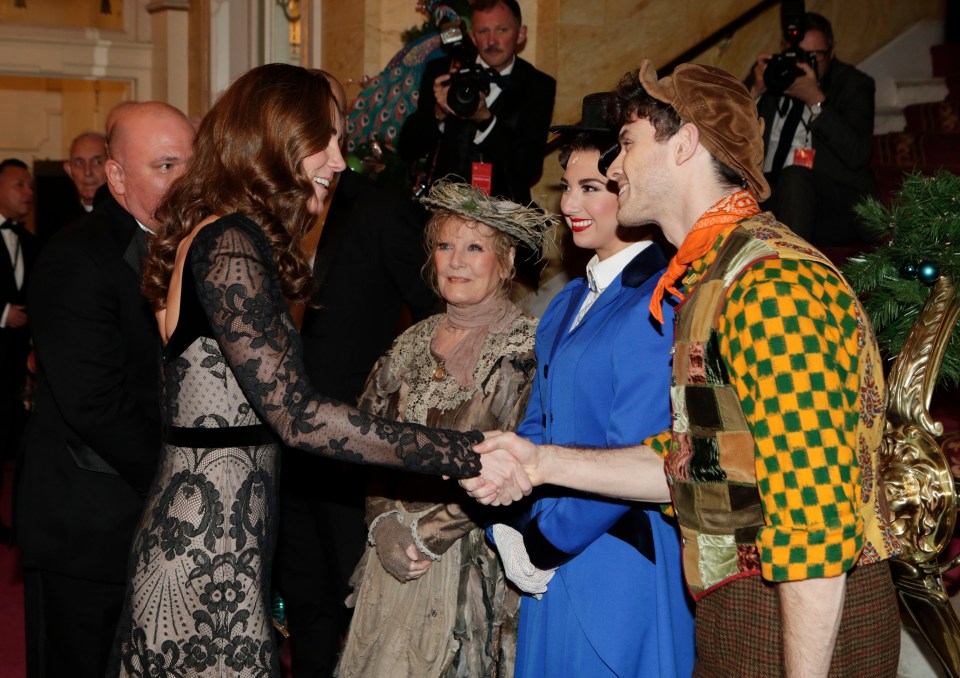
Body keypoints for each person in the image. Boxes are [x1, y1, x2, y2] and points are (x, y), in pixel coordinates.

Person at [467, 60, 902, 677]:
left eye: (626, 144)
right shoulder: (714, 278)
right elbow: (699, 464)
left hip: (798, 614)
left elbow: (815, 528)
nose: (614, 169)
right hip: (741, 604)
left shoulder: (773, 284)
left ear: (685, 144)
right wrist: (540, 463)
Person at [110, 64, 520, 677]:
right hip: (205, 558)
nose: (336, 161)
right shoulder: (230, 242)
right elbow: (300, 417)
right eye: (322, 142)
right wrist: (468, 452)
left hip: (216, 546)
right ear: (275, 143)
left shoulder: (220, 232)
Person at [487, 94, 695, 677]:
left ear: (627, 187)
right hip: (554, 549)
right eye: (566, 187)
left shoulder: (661, 296)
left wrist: (542, 544)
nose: (571, 205)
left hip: (616, 560)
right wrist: (509, 498)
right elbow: (540, 422)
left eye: (591, 187)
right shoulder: (564, 304)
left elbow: (636, 444)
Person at [337, 180, 551, 677]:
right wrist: (383, 522)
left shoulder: (526, 351)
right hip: (393, 556)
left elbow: (520, 465)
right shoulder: (408, 344)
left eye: (475, 247)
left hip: (473, 567)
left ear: (506, 261)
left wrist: (427, 534)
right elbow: (365, 445)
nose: (456, 261)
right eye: (445, 245)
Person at [14, 102, 195, 678]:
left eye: (191, 164)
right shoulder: (75, 258)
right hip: (90, 526)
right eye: (165, 166)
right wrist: (185, 484)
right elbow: (95, 403)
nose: (185, 182)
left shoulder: (198, 246)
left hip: (159, 521)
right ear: (116, 177)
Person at [275, 72, 440, 677]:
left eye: (339, 129)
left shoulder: (378, 208)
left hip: (354, 439)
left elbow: (431, 316)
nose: (336, 151)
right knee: (303, 596)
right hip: (279, 446)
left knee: (354, 596)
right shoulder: (264, 215)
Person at [399, 0, 556, 204]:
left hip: (504, 215)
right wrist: (438, 112)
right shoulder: (443, 72)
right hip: (442, 209)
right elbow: (407, 148)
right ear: (473, 36)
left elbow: (528, 168)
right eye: (483, 31)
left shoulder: (538, 85)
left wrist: (486, 120)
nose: (492, 41)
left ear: (521, 34)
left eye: (502, 30)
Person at [748, 12, 877, 245]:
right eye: (796, 54)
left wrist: (816, 100)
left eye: (814, 55)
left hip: (833, 204)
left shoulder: (853, 84)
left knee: (795, 175)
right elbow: (726, 141)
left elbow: (858, 154)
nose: (803, 63)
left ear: (832, 51)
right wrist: (754, 92)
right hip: (771, 198)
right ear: (783, 48)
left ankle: (791, 269)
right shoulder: (772, 76)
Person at [0, 158, 36, 543]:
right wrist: (2, 313)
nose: (28, 193)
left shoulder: (31, 240)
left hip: (17, 364)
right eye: (18, 185)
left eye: (29, 186)